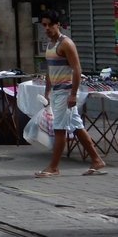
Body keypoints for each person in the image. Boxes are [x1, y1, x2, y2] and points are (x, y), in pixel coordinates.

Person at [35, 9, 106, 177]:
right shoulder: (50, 45)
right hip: (57, 92)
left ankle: (54, 167)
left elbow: (76, 69)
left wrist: (73, 94)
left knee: (59, 129)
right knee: (76, 126)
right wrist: (47, 90)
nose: (47, 28)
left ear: (58, 24)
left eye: (50, 25)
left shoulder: (66, 43)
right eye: (44, 25)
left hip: (65, 92)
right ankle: (97, 160)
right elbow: (50, 70)